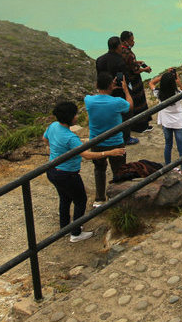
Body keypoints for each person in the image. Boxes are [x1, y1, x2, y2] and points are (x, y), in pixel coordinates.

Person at [42, 101, 125, 241]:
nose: (77, 116)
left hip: (52, 170)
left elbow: (45, 139)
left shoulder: (53, 126)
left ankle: (65, 228)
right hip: (67, 174)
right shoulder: (70, 137)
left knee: (65, 198)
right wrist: (110, 152)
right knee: (80, 200)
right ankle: (75, 233)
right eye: (75, 114)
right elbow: (87, 155)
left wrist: (56, 149)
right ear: (69, 117)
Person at [85, 71, 133, 207]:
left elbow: (95, 94)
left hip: (96, 142)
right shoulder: (117, 102)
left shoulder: (88, 100)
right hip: (116, 142)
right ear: (112, 85)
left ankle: (99, 199)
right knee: (119, 170)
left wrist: (109, 87)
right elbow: (130, 106)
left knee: (99, 169)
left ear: (96, 84)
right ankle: (117, 196)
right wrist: (125, 90)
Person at [95, 36, 138, 145]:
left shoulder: (100, 60)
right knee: (125, 113)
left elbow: (99, 75)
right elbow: (125, 78)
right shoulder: (120, 61)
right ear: (118, 46)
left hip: (104, 90)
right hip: (118, 90)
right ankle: (126, 137)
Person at [149, 67, 182, 176]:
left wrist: (164, 76)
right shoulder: (178, 93)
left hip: (166, 122)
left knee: (168, 145)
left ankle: (168, 168)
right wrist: (179, 82)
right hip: (178, 123)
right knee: (181, 148)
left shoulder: (159, 93)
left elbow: (151, 83)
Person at [120, 30, 153, 134]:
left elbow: (129, 65)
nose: (133, 42)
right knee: (139, 103)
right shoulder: (129, 54)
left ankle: (133, 125)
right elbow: (135, 70)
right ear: (125, 41)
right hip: (134, 82)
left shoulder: (120, 51)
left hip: (127, 81)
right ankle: (141, 126)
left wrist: (136, 63)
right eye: (131, 40)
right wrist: (145, 69)